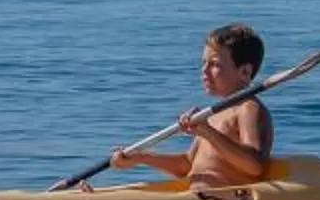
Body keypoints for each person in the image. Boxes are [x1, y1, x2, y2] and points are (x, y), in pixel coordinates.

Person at [113, 24, 274, 189]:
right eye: (204, 63)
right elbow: (187, 166)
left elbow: (254, 166)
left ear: (245, 72)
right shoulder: (213, 113)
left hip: (223, 199)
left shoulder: (248, 109)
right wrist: (142, 157)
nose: (204, 70)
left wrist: (207, 131)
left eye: (215, 64)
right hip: (195, 195)